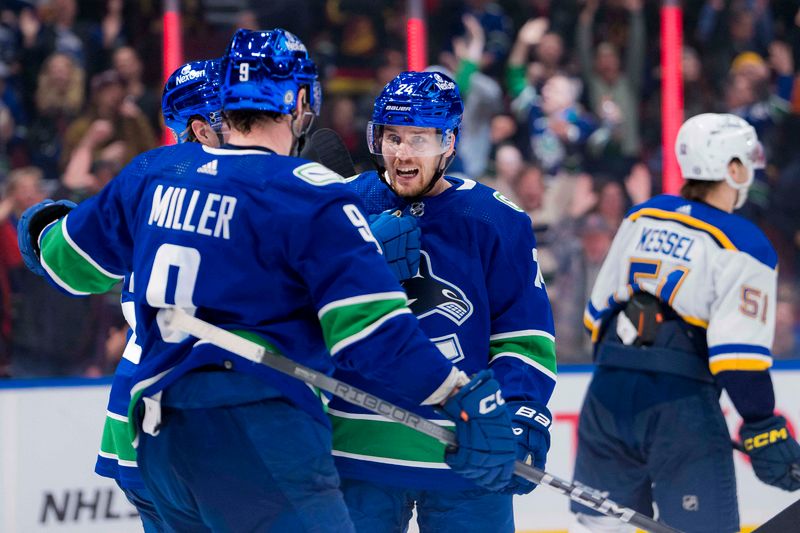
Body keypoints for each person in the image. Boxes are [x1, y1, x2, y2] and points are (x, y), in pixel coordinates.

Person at [17, 29, 517, 532]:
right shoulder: (308, 192)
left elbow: (67, 263)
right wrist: (457, 392)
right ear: (300, 102)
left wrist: (40, 228)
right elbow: (373, 335)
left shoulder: (154, 170)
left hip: (159, 438)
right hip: (257, 429)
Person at [331, 71, 557, 532]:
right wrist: (362, 267)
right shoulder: (343, 206)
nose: (402, 153)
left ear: (449, 142)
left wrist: (520, 412)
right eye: (392, 137)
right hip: (358, 447)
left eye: (419, 138)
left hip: (464, 445)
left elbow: (525, 337)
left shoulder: (493, 219)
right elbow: (304, 318)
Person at [573, 113, 800, 533]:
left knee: (598, 528)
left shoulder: (642, 215)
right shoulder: (745, 242)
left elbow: (595, 318)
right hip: (678, 406)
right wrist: (762, 424)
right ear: (732, 169)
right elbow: (739, 360)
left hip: (605, 395)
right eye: (746, 161)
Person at [93, 57, 225, 533]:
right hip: (195, 402)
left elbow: (78, 261)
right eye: (234, 116)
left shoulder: (145, 176)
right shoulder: (235, 185)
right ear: (203, 126)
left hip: (134, 390)